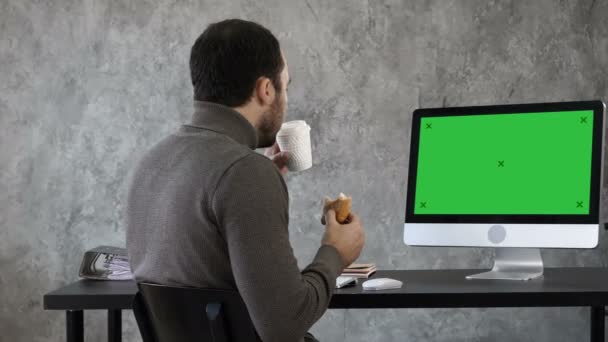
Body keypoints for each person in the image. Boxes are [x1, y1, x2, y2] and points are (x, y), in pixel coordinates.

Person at [126, 19, 365, 342]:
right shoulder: (243, 173)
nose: (285, 97)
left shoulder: (151, 163)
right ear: (265, 90)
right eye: (285, 85)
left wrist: (257, 180)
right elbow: (284, 325)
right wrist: (334, 252)